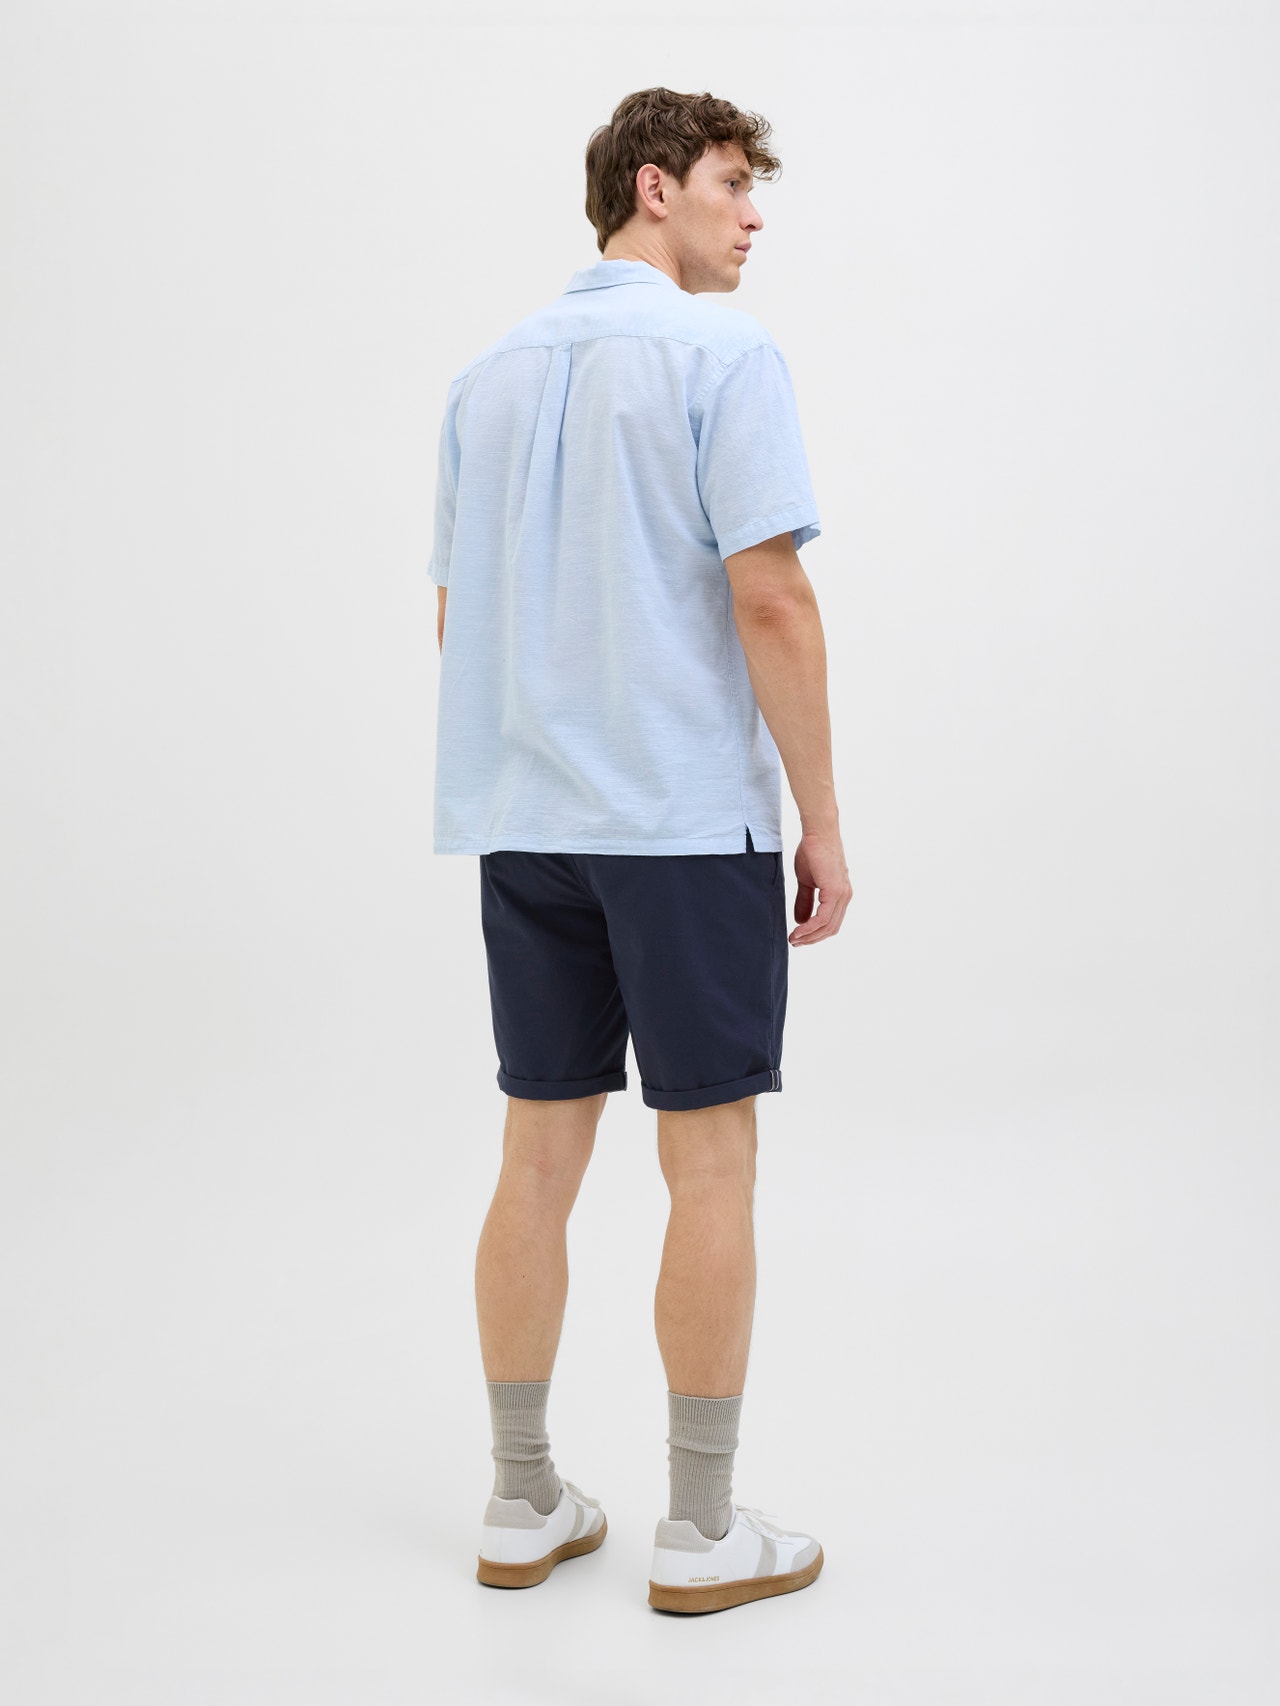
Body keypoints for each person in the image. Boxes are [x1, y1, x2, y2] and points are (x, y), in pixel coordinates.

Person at [427, 86, 851, 1614]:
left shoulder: (484, 378)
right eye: (734, 183)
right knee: (711, 1160)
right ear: (654, 187)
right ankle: (702, 1527)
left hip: (527, 822)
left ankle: (520, 1497)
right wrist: (822, 816)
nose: (754, 214)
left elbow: (458, 619)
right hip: (678, 823)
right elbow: (771, 597)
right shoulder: (722, 356)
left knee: (535, 1158)